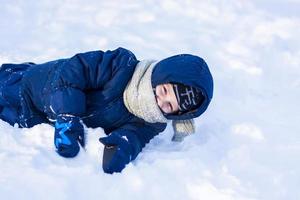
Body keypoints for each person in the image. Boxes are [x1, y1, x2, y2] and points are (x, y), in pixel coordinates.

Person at [0, 47, 213, 174]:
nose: (160, 100)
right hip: (38, 85)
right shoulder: (121, 65)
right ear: (161, 73)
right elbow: (73, 72)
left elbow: (136, 135)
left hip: (40, 115)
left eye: (169, 106)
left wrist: (121, 147)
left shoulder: (152, 120)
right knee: (7, 88)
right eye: (165, 89)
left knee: (14, 118)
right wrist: (68, 115)